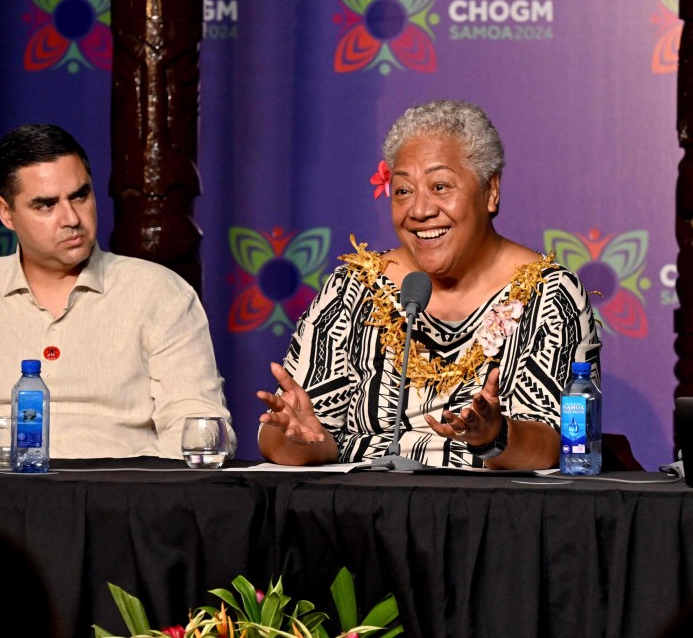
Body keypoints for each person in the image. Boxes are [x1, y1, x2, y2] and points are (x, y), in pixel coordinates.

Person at [257, 99, 601, 469]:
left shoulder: (548, 293)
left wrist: (494, 436)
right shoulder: (353, 289)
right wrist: (292, 437)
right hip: (364, 516)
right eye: (403, 191)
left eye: (440, 186)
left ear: (491, 191)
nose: (419, 211)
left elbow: (558, 447)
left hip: (493, 516)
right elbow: (304, 441)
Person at [0, 124, 236, 459]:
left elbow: (196, 427)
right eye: (46, 205)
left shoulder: (160, 294)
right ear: (7, 213)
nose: (71, 218)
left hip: (121, 499)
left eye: (80, 195)